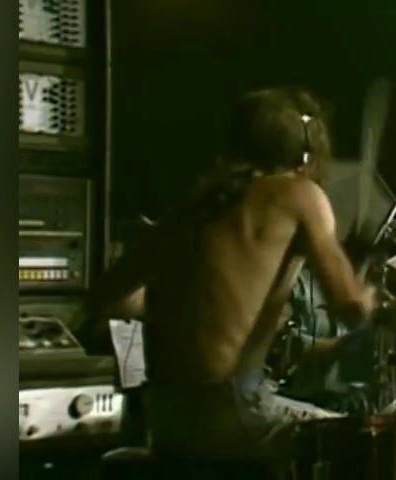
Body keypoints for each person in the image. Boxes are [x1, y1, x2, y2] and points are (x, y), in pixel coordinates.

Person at [85, 87, 377, 463]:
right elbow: (350, 306)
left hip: (165, 417)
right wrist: (370, 298)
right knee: (368, 443)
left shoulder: (194, 204)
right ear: (306, 154)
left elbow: (107, 298)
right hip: (235, 409)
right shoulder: (300, 193)